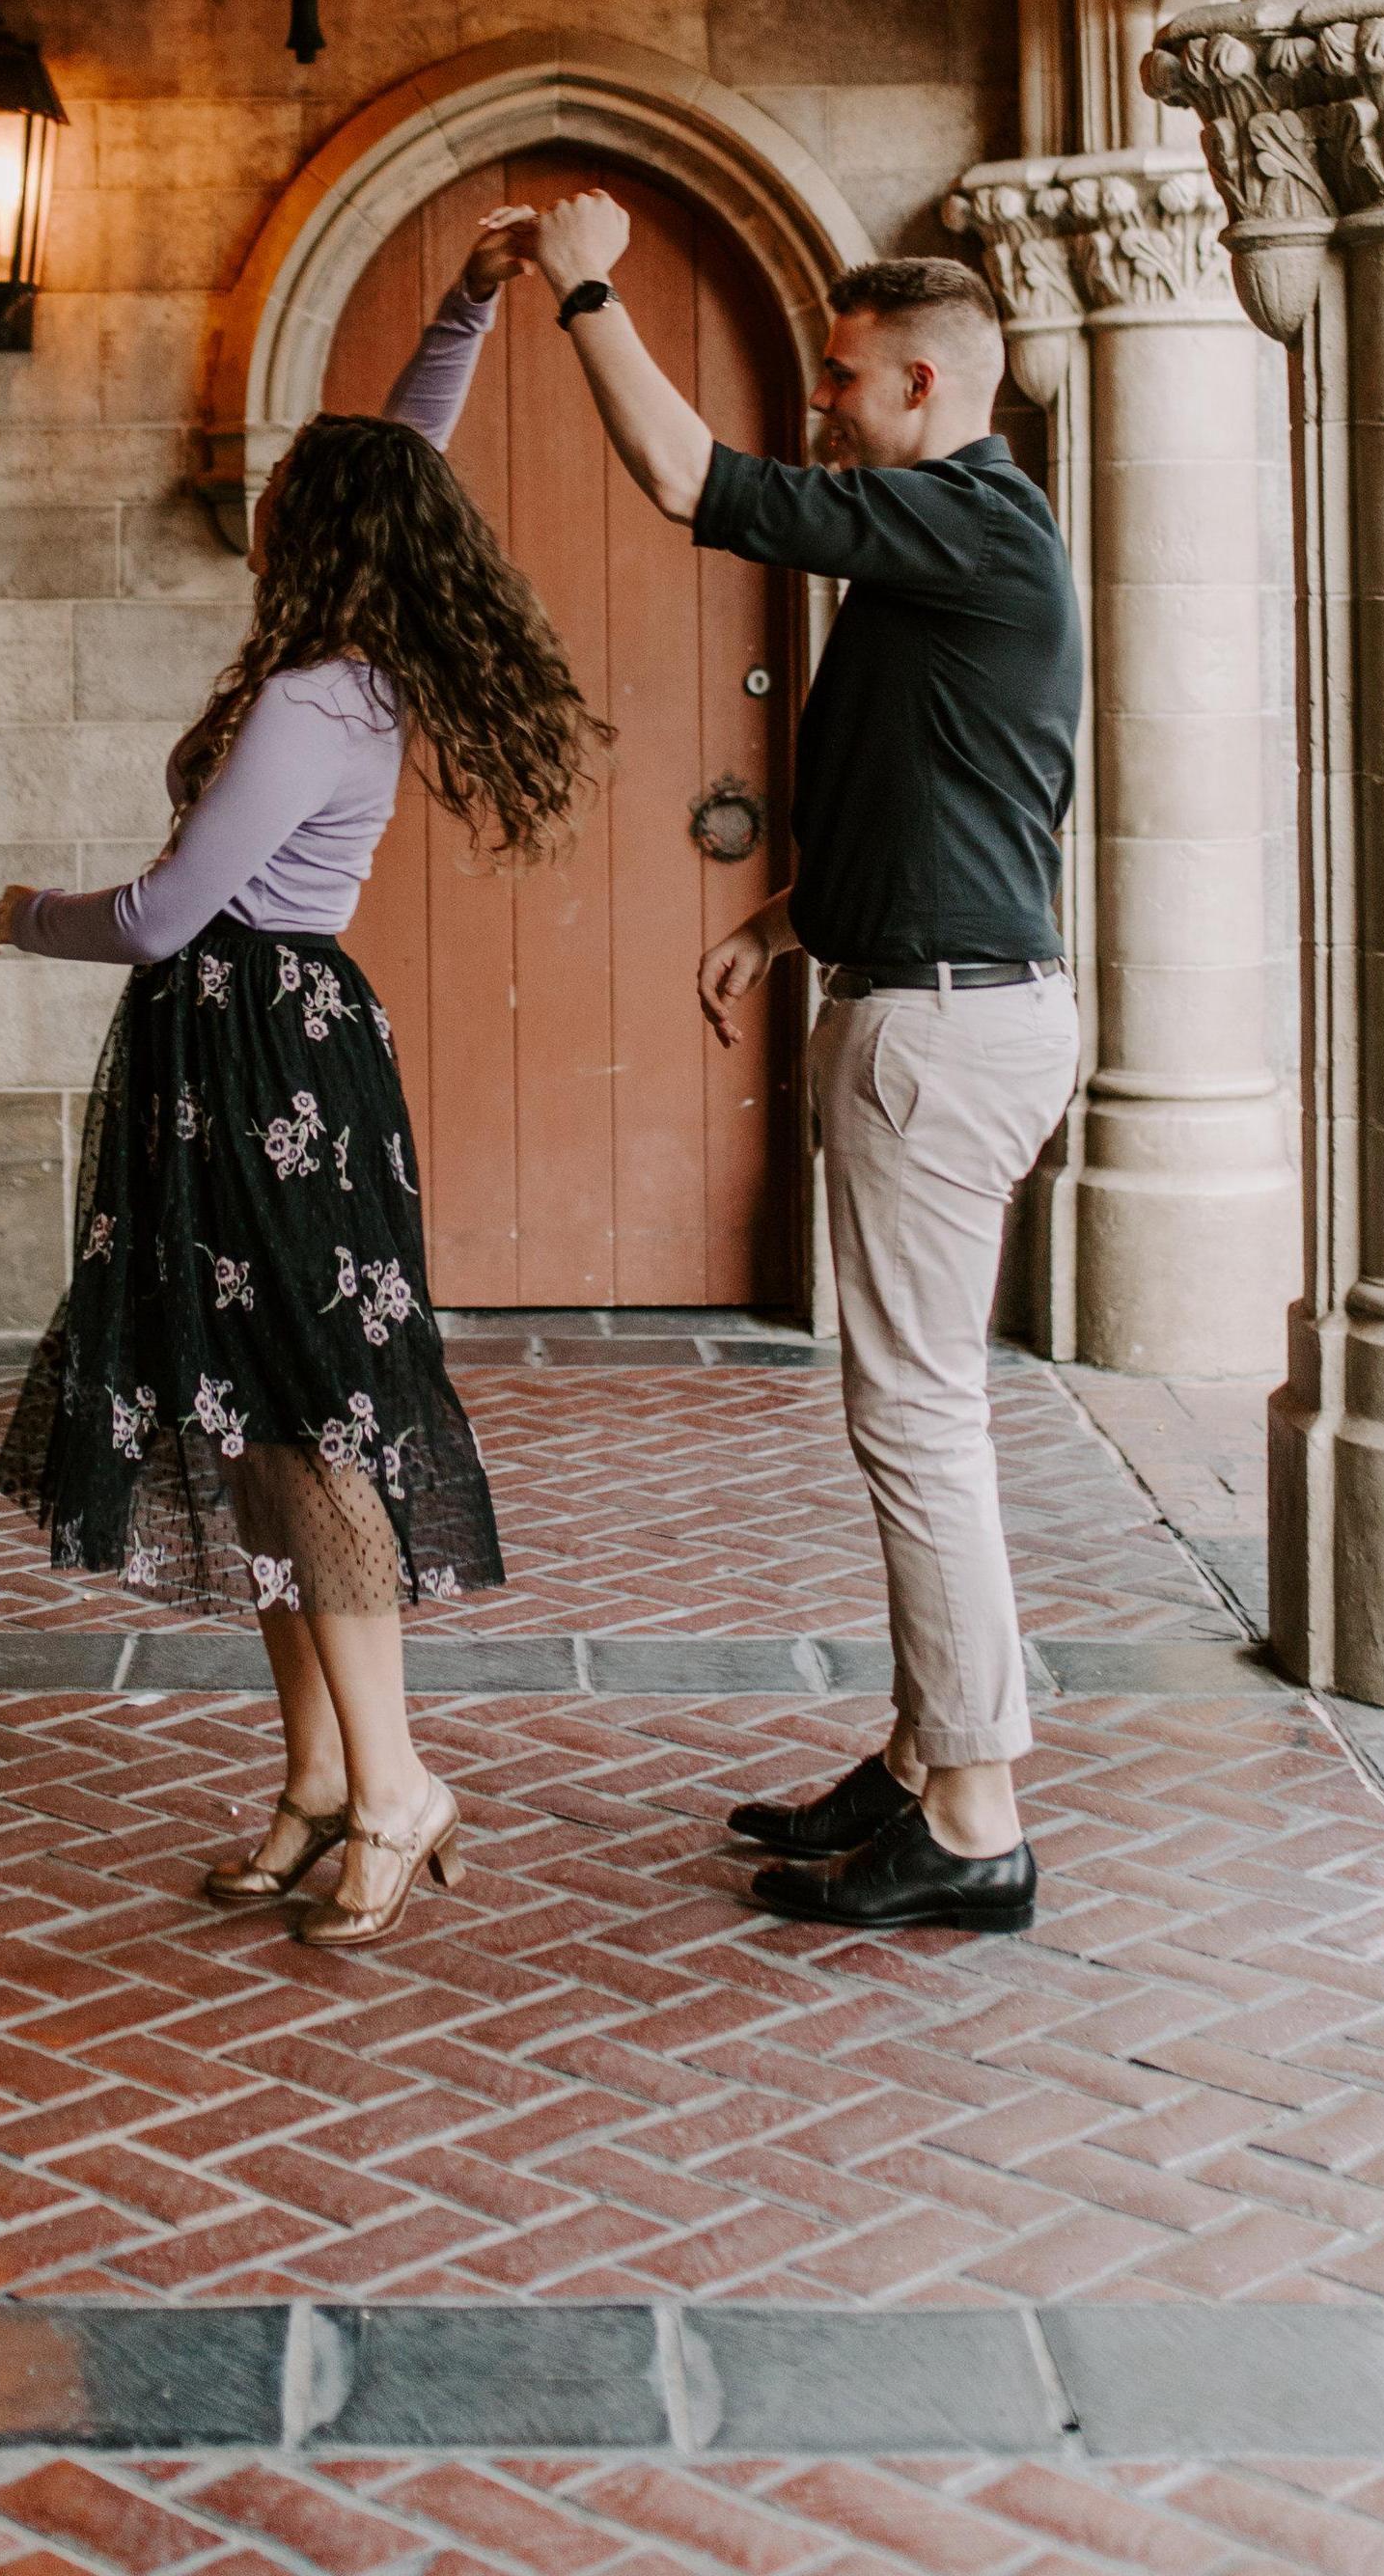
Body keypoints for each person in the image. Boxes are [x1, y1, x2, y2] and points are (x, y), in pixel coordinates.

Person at [0, 210, 602, 1949]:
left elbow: (172, 910)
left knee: (310, 1429)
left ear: (314, 531)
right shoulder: (340, 663)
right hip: (249, 1053)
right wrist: (468, 306)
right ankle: (319, 1781)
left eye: (284, 487)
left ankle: (398, 1781)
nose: (258, 497)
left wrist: (28, 915)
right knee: (257, 1432)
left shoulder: (314, 699)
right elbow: (402, 451)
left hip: (259, 1056)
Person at [524, 195, 1082, 1934]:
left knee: (919, 1419)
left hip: (941, 1028)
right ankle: (926, 1761)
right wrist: (783, 917)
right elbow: (943, 785)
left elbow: (694, 482)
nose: (825, 410)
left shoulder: (973, 526)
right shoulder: (961, 542)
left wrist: (585, 285)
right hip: (928, 992)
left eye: (843, 383)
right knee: (913, 1413)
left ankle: (975, 1812)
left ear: (927, 383)